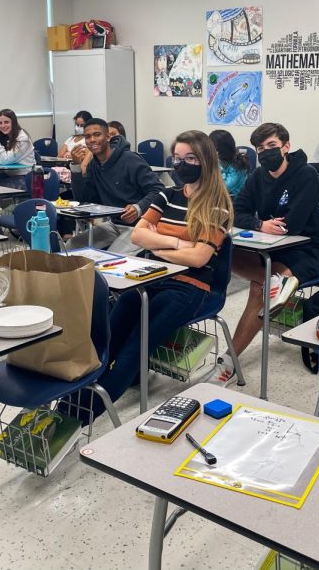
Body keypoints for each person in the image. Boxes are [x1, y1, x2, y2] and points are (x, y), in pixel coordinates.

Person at [85, 131, 233, 417]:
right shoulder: (168, 194)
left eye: (190, 158)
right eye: (177, 158)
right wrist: (179, 243)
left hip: (190, 288)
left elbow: (200, 258)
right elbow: (139, 235)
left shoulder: (218, 204)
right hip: (150, 277)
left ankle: (80, 417)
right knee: (106, 340)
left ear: (205, 160)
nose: (181, 164)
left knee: (134, 350)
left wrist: (160, 245)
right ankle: (72, 399)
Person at [218, 122, 319, 384]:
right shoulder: (257, 176)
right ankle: (275, 280)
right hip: (269, 248)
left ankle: (230, 359)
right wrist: (259, 224)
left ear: (286, 147)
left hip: (305, 250)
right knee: (221, 251)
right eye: (260, 148)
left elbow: (293, 225)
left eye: (272, 146)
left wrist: (264, 224)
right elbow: (238, 212)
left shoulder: (306, 174)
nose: (266, 152)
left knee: (258, 290)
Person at [68, 117, 162, 254]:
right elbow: (84, 198)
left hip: (140, 226)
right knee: (71, 246)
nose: (92, 140)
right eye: (87, 136)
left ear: (108, 137)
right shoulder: (94, 164)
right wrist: (76, 167)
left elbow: (158, 190)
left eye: (97, 134)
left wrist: (138, 207)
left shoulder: (130, 159)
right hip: (114, 224)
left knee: (113, 256)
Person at [0, 108, 35, 190]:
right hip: (7, 174)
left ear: (14, 122)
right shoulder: (5, 136)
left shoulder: (23, 138)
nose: (3, 126)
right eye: (0, 123)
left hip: (24, 177)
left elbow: (5, 160)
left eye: (6, 122)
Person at [210, 129, 249, 198]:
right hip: (223, 196)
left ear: (221, 149)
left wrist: (218, 167)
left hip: (235, 199)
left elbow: (224, 187)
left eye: (213, 147)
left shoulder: (238, 164)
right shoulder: (222, 160)